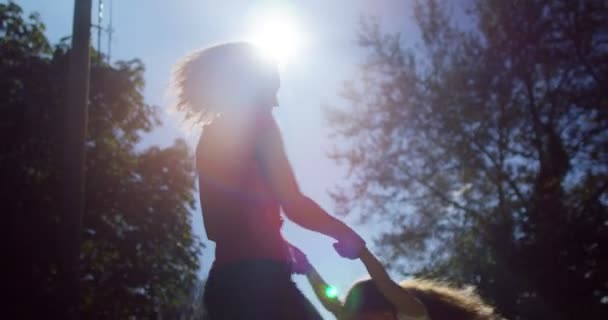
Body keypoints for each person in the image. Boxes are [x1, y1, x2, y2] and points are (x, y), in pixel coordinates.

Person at [171, 42, 365, 319]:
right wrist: (345, 233)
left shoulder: (209, 138)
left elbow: (216, 227)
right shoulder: (259, 123)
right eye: (273, 86)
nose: (276, 100)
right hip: (262, 285)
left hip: (225, 286)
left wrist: (278, 246)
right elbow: (293, 203)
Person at [290, 244, 500, 320]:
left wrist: (363, 253)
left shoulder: (412, 314)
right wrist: (308, 267)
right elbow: (331, 303)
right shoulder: (364, 316)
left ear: (385, 312)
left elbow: (387, 286)